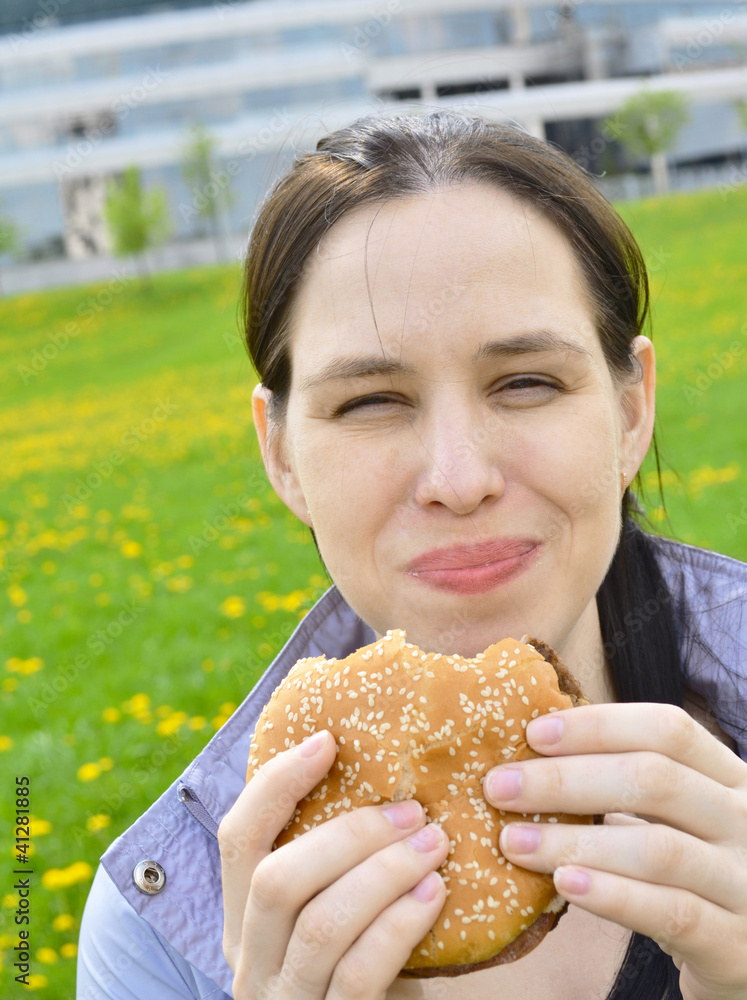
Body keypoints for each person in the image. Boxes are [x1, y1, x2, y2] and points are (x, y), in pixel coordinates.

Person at [77, 109, 747, 1000]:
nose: (457, 478)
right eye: (370, 401)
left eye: (525, 382)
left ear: (630, 412)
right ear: (281, 454)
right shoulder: (163, 932)